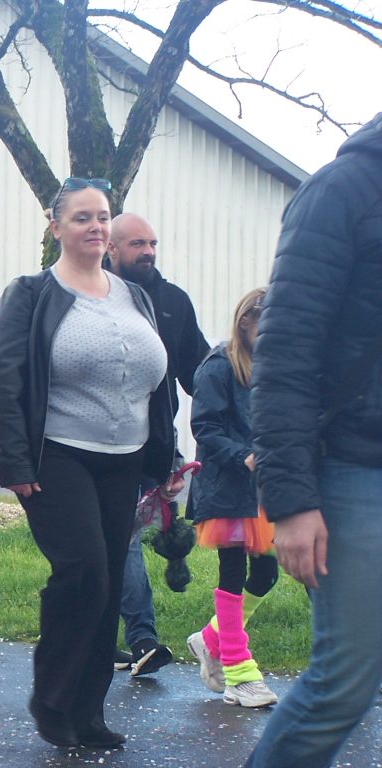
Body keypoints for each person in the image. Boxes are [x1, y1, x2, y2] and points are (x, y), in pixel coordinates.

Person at [0, 178, 177, 749]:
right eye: (82, 217)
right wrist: (14, 460)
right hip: (55, 455)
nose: (96, 227)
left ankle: (88, 713)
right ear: (55, 225)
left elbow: (155, 385)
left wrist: (167, 456)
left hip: (124, 459)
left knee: (107, 588)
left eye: (103, 217)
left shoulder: (135, 296)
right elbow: (5, 382)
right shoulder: (32, 293)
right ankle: (53, 699)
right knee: (84, 573)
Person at [245, 114, 382, 767]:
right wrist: (292, 499)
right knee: (342, 686)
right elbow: (285, 354)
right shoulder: (345, 189)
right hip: (359, 470)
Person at [105, 213, 210, 676]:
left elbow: (198, 373)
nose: (148, 251)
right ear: (111, 249)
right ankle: (143, 637)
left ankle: (113, 637)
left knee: (123, 539)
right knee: (122, 538)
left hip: (158, 444)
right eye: (136, 244)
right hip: (106, 445)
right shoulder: (93, 300)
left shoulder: (173, 302)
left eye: (152, 243)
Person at [185, 288, 278, 708]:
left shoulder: (273, 364)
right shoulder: (218, 366)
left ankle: (210, 639)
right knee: (233, 571)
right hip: (226, 485)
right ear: (246, 322)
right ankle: (239, 673)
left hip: (263, 489)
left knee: (266, 576)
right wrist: (244, 457)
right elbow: (204, 427)